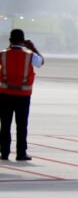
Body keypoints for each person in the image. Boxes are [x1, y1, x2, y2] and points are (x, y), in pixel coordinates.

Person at [0, 29, 44, 161]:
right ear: (23, 41)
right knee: (22, 125)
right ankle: (21, 153)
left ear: (10, 40)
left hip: (5, 94)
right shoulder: (30, 55)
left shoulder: (2, 54)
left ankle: (4, 152)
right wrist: (33, 48)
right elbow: (41, 62)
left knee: (5, 124)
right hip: (23, 95)